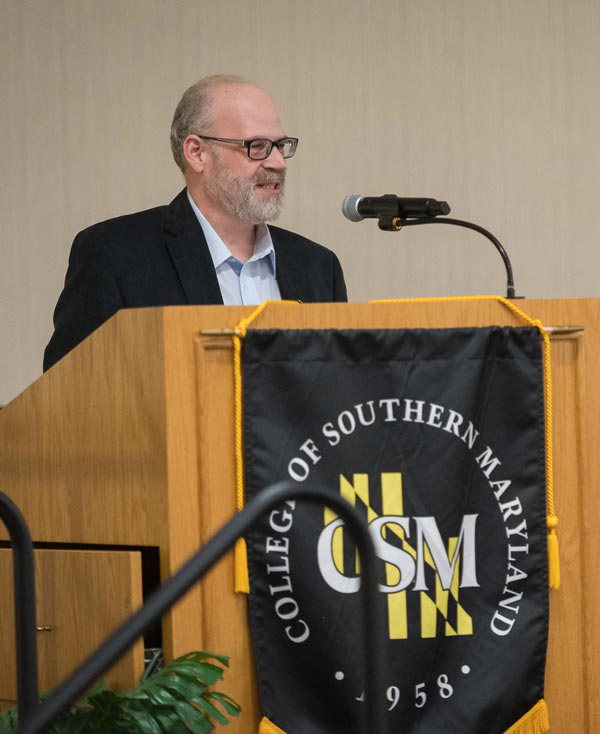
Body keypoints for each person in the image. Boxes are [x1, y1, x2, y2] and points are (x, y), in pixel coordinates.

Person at [43, 74, 347, 371]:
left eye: (280, 146)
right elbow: (70, 396)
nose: (278, 162)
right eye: (257, 146)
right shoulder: (115, 256)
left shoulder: (318, 267)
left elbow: (342, 389)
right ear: (197, 153)